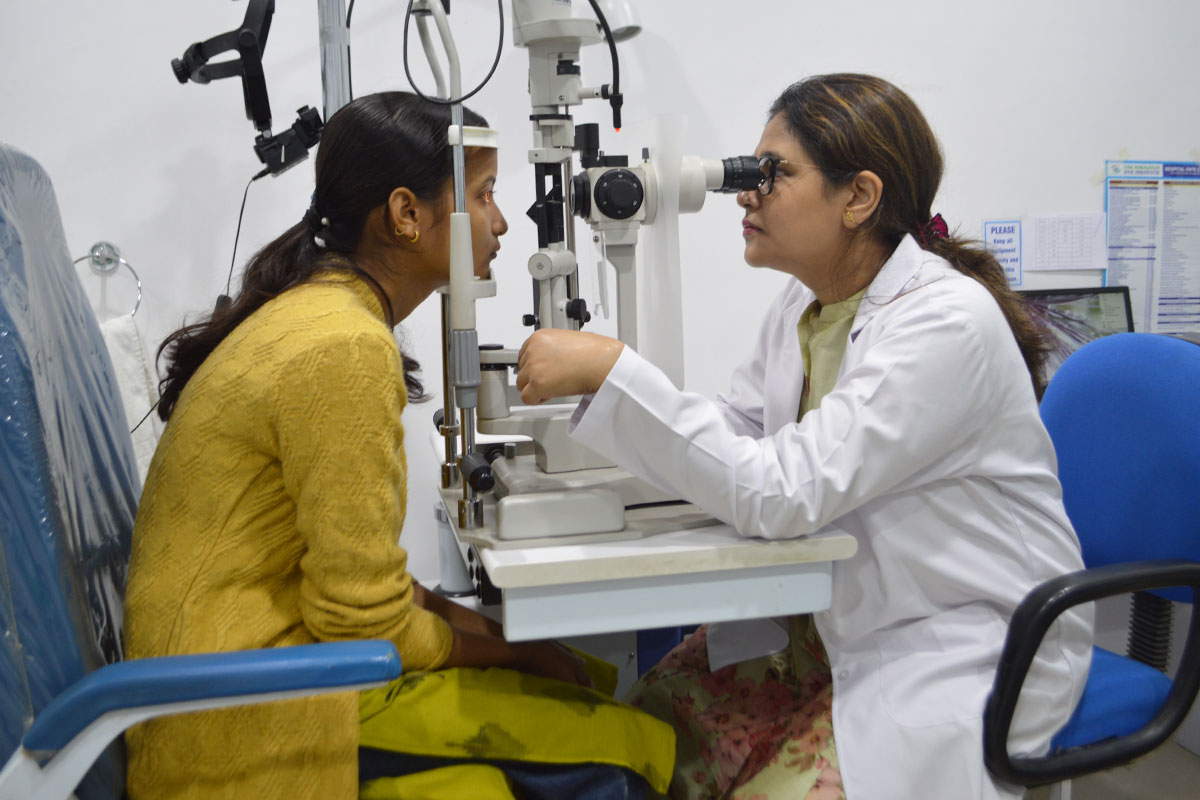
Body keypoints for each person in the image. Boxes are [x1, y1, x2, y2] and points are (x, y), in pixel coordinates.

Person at [515, 74, 1093, 800]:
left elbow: (782, 492)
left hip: (958, 639)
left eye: (774, 173)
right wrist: (612, 411)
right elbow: (745, 428)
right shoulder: (807, 303)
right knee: (647, 737)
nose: (746, 193)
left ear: (859, 197)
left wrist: (615, 371)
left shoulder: (944, 324)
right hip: (833, 622)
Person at [122, 91, 673, 800]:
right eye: (483, 194)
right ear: (407, 214)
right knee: (625, 752)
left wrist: (508, 643)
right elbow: (362, 622)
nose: (501, 221)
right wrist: (514, 653)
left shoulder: (319, 314)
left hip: (251, 678)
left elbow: (364, 585)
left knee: (578, 679)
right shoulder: (342, 347)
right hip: (255, 720)